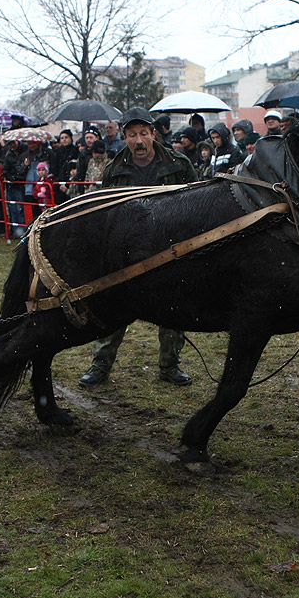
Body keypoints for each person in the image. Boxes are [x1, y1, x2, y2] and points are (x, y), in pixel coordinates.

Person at [78, 107, 198, 388]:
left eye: (143, 133)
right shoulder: (114, 170)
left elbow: (197, 202)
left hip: (170, 249)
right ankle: (100, 365)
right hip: (128, 252)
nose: (139, 140)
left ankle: (170, 365)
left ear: (153, 134)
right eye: (132, 134)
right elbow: (105, 213)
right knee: (113, 308)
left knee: (172, 309)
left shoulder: (179, 165)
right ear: (124, 137)